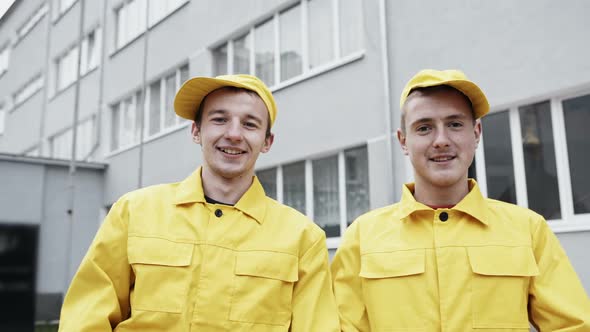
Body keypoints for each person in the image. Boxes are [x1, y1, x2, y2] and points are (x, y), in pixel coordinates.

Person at [59, 74, 340, 331]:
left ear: (267, 141)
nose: (233, 133)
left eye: (250, 124)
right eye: (219, 119)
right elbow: (86, 318)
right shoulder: (134, 212)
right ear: (196, 131)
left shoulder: (303, 238)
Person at [331, 69, 590, 331]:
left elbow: (574, 326)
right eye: (424, 128)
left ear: (476, 133)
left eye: (455, 124)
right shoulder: (362, 237)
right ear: (403, 141)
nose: (441, 140)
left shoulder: (529, 231)